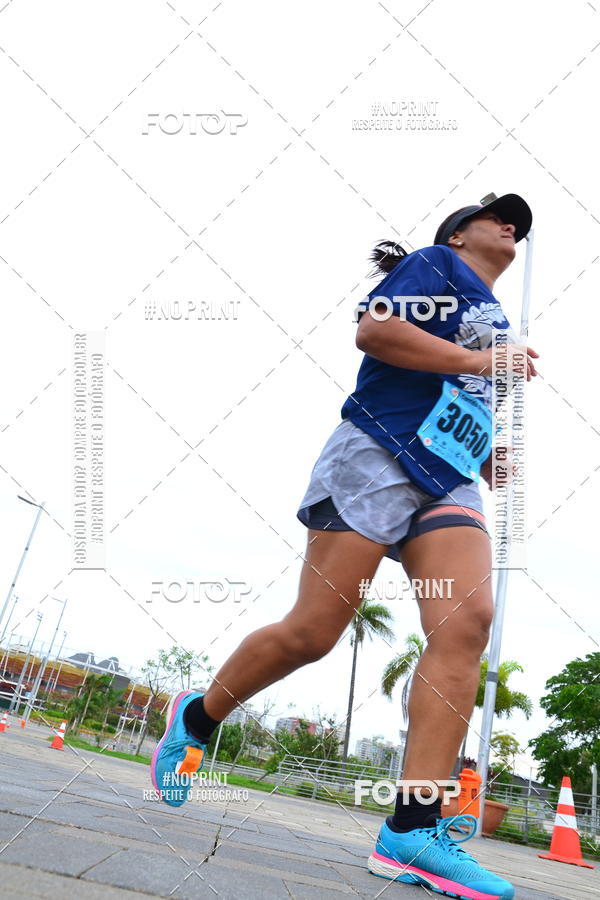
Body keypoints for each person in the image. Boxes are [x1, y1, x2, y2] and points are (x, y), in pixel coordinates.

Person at [151, 193, 538, 900]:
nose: (512, 226)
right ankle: (198, 716)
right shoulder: (435, 267)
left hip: (449, 480)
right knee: (313, 634)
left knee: (468, 624)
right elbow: (376, 332)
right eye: (497, 215)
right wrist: (481, 363)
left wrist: (490, 457)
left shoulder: (501, 323)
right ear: (458, 232)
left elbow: (461, 397)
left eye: (519, 224)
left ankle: (411, 831)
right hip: (378, 456)